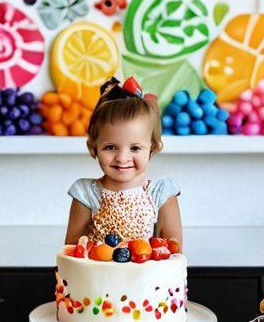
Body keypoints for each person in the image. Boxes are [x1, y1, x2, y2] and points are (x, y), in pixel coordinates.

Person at [64, 77, 182, 246]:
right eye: (111, 147)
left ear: (152, 149)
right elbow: (73, 252)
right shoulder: (86, 194)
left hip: (146, 273)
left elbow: (172, 253)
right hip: (99, 273)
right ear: (94, 147)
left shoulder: (161, 194)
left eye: (135, 148)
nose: (122, 158)